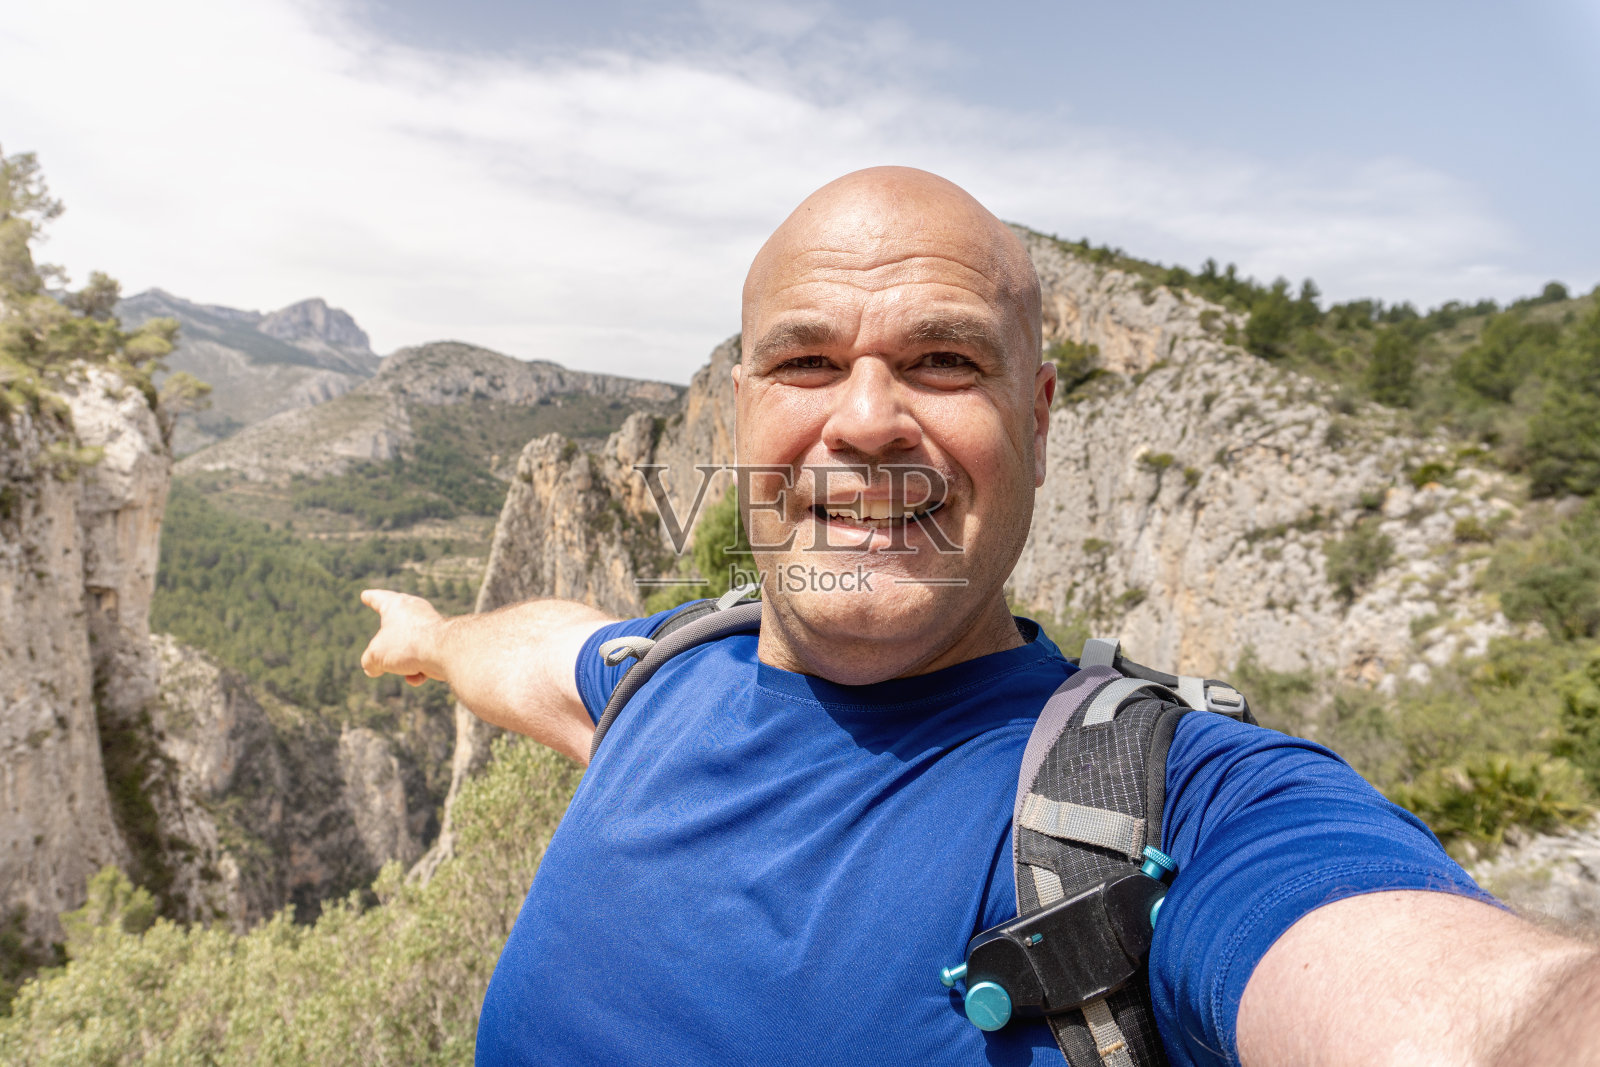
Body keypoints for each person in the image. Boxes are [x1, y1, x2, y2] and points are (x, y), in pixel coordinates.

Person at [361, 167, 1600, 1066]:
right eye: (806, 363)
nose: (865, 420)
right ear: (739, 411)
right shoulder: (660, 677)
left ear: (1040, 420)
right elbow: (540, 652)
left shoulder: (1178, 809)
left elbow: (1465, 1007)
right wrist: (429, 637)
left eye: (943, 361)